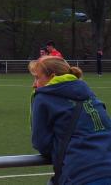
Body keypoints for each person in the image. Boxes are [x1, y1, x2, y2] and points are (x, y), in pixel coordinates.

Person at [29, 55, 111, 184]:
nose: (34, 84)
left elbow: (41, 143)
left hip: (81, 175)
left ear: (52, 76)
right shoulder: (89, 93)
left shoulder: (43, 97)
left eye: (37, 78)